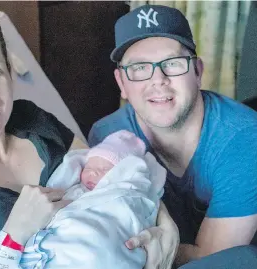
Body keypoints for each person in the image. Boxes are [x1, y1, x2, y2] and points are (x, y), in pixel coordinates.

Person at [0, 2, 179, 269]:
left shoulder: (32, 119)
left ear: (10, 74)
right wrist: (15, 234)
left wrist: (167, 226)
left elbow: (109, 175)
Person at [88, 4, 257, 268]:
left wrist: (130, 249)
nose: (158, 79)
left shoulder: (245, 139)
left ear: (198, 72)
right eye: (140, 68)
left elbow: (213, 259)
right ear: (121, 83)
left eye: (172, 63)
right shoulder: (107, 136)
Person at [16, 130, 166, 269]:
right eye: (88, 168)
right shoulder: (74, 189)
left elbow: (129, 215)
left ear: (122, 174)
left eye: (104, 170)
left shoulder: (122, 193)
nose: (93, 173)